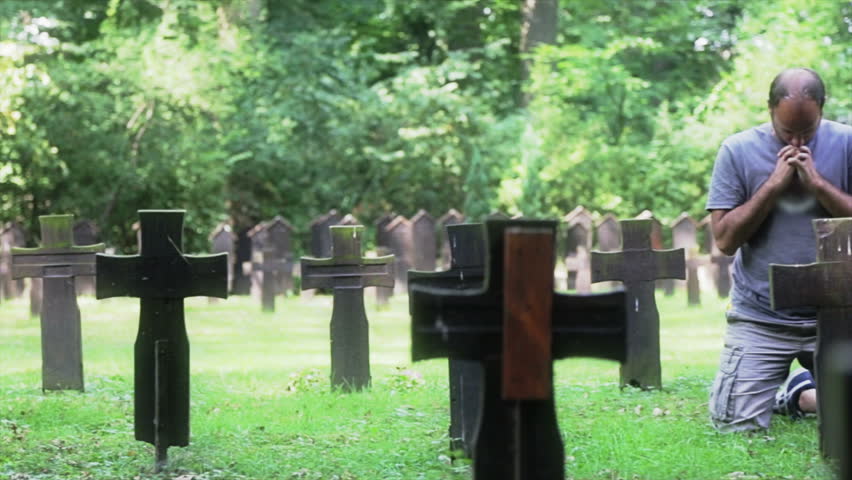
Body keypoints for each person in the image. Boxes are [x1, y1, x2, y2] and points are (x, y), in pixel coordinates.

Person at [706, 67, 852, 432]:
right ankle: (800, 393)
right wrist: (772, 186)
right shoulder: (737, 150)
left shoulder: (847, 143)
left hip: (840, 313)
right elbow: (724, 241)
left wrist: (818, 185)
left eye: (808, 131)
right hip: (762, 316)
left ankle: (803, 394)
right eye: (789, 132)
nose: (798, 142)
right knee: (737, 426)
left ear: (822, 107)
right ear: (769, 109)